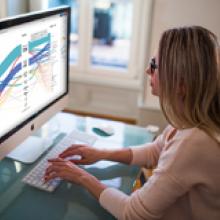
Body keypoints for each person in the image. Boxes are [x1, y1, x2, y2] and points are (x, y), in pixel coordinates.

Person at [44, 26, 220, 220]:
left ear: (181, 84)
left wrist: (81, 176)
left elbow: (132, 213)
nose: (147, 70)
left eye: (154, 65)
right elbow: (155, 152)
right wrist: (100, 154)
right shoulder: (194, 118)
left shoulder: (194, 142)